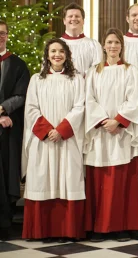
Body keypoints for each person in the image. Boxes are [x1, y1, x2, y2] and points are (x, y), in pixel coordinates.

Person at [84, 28, 138, 242]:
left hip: (121, 133)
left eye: (117, 43)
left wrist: (118, 121)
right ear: (103, 45)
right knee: (98, 182)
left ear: (122, 46)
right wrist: (103, 121)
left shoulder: (130, 70)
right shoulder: (94, 71)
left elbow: (135, 99)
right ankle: (98, 227)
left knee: (121, 183)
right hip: (100, 132)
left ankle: (120, 227)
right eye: (109, 42)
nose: (113, 46)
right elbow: (89, 99)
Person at [22, 38, 85, 242]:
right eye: (53, 51)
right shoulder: (36, 80)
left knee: (68, 179)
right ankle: (43, 230)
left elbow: (80, 107)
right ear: (47, 55)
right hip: (45, 142)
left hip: (67, 140)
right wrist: (49, 131)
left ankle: (68, 230)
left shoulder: (76, 79)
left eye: (61, 51)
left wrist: (62, 129)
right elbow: (31, 109)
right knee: (43, 178)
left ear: (67, 55)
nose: (57, 55)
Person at [0, 20, 30, 241]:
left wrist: (3, 110)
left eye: (2, 33)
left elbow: (21, 95)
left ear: (8, 35)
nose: (0, 36)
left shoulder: (18, 65)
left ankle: (5, 222)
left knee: (7, 173)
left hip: (8, 132)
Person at [61, 2, 102, 76]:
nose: (73, 18)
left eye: (77, 16)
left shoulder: (93, 45)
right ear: (64, 20)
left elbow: (98, 72)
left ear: (83, 21)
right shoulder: (56, 45)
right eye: (70, 16)